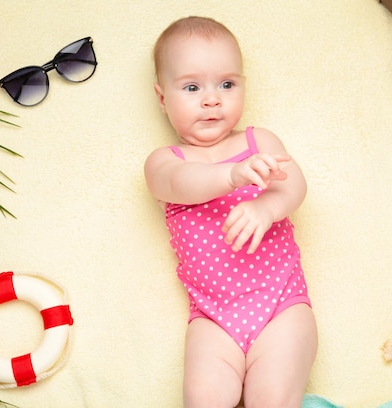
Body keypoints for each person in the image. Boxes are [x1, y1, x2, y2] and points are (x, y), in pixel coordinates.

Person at [144, 16, 318, 408]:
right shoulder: (165, 161)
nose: (212, 99)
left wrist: (268, 206)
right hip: (213, 316)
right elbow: (181, 183)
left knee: (273, 398)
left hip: (281, 303)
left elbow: (294, 185)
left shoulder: (260, 140)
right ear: (162, 98)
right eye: (192, 87)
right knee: (203, 397)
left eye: (227, 84)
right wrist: (233, 175)